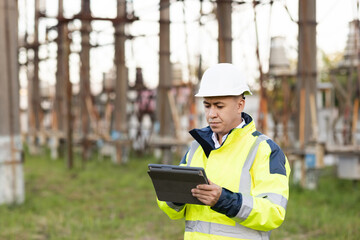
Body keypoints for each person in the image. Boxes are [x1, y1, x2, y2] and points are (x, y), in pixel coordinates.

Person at [157, 63, 291, 240]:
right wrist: (176, 197)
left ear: (240, 105)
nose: (211, 114)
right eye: (207, 105)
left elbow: (274, 213)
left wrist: (224, 200)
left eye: (219, 106)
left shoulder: (264, 150)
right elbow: (171, 211)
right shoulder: (196, 148)